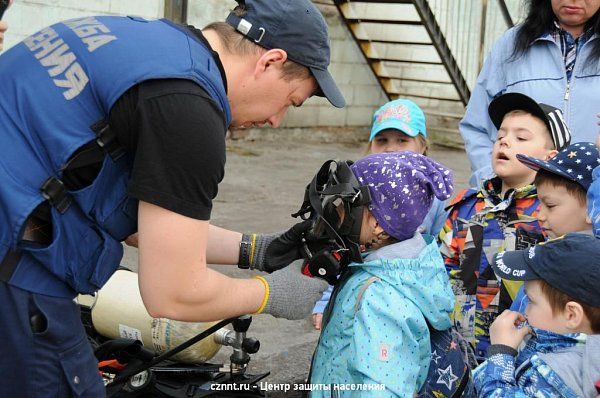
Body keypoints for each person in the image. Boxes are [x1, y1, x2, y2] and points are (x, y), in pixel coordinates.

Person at [0, 1, 342, 396]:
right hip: (14, 260)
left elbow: (152, 229)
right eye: (289, 101)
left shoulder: (151, 44)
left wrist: (258, 250)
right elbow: (172, 291)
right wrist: (270, 294)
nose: (275, 120)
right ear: (270, 61)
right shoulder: (189, 111)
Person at [309, 152, 472, 396]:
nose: (338, 211)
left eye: (346, 204)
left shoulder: (381, 300)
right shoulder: (410, 265)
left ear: (378, 225)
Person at [439, 92, 571, 360]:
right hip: (457, 350)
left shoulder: (552, 216)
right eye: (500, 136)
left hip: (522, 353)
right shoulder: (466, 207)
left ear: (551, 156)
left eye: (521, 138)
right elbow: (441, 269)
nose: (505, 141)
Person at [311, 98, 449, 330]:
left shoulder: (435, 198)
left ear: (423, 146)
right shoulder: (359, 189)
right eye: (381, 140)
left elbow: (437, 255)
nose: (391, 147)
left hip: (403, 295)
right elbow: (335, 248)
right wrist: (325, 300)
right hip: (359, 283)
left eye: (402, 140)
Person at [460, 0, 600, 187]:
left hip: (594, 200)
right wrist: (492, 181)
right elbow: (477, 126)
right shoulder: (511, 45)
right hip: (519, 203)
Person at [474, 233, 600, 397]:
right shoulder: (562, 343)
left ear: (571, 315)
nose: (524, 310)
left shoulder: (557, 374)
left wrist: (501, 354)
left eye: (531, 301)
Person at [509, 142, 600, 314]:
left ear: (591, 207)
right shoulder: (548, 252)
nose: (539, 216)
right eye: (539, 203)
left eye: (550, 205)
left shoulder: (586, 275)